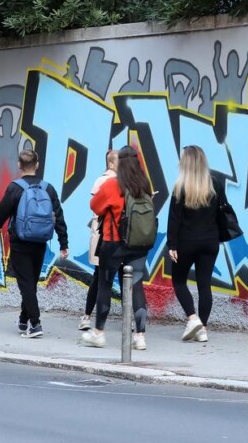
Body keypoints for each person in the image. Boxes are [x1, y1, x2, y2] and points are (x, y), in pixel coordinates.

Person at [0, 147, 68, 339]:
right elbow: (58, 216)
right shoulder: (48, 188)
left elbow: (1, 212)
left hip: (20, 242)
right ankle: (24, 319)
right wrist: (63, 243)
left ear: (19, 165)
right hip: (40, 241)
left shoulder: (15, 188)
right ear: (37, 165)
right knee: (31, 282)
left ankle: (35, 323)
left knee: (25, 283)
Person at [82, 145, 153, 350]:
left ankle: (98, 333)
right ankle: (140, 337)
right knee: (137, 285)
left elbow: (95, 206)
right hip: (139, 244)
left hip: (113, 242)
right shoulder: (144, 185)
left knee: (105, 283)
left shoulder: (113, 185)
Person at [167, 145, 226, 343]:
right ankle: (203, 330)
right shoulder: (215, 184)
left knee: (178, 281)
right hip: (210, 242)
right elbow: (221, 213)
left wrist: (172, 245)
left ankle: (192, 318)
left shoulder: (180, 187)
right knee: (204, 285)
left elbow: (174, 219)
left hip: (186, 243)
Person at [80, 149, 118, 331]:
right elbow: (97, 208)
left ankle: (87, 317)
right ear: (111, 163)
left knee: (99, 277)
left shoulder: (103, 181)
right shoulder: (106, 181)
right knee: (111, 277)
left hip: (103, 236)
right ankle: (88, 317)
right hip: (107, 235)